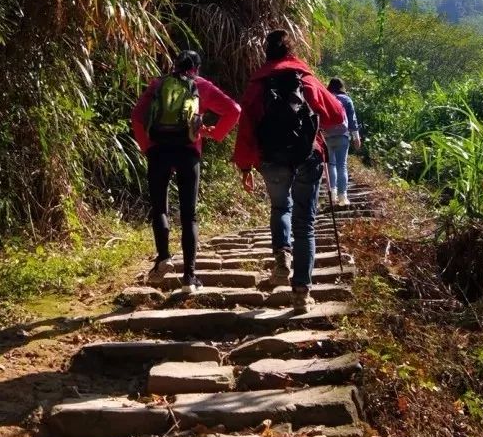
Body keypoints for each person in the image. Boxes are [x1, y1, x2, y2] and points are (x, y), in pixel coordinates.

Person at [233, 30, 347, 313]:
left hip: (271, 160)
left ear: (266, 54)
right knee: (305, 224)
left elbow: (246, 128)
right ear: (290, 51)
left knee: (280, 206)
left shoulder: (257, 85)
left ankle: (282, 254)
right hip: (307, 158)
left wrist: (245, 165)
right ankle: (300, 293)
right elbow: (335, 114)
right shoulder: (306, 78)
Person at [131, 50, 240, 294]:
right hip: (188, 151)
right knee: (189, 214)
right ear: (197, 68)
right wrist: (213, 133)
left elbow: (137, 116)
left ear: (175, 65)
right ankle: (189, 278)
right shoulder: (201, 85)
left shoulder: (158, 85)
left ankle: (163, 258)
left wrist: (146, 146)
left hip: (158, 149)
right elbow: (234, 110)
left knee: (159, 207)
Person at [325, 77, 361, 208]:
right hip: (342, 136)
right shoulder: (346, 100)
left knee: (331, 165)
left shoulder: (326, 97)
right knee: (342, 166)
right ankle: (342, 196)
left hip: (327, 136)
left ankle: (332, 194)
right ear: (342, 87)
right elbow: (352, 119)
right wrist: (356, 137)